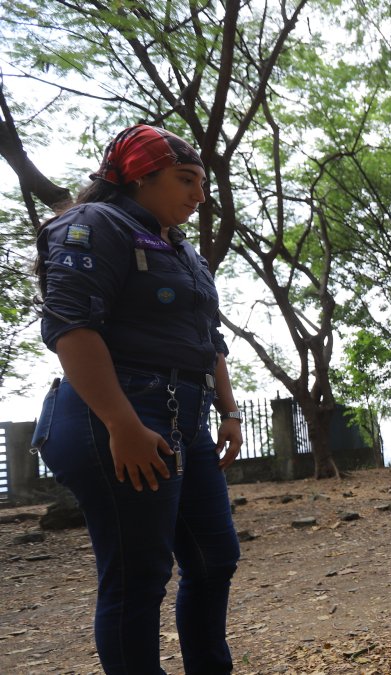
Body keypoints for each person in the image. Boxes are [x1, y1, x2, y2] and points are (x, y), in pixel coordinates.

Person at [30, 124, 243, 674]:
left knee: (214, 558)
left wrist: (228, 411)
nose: (199, 195)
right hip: (118, 413)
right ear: (140, 177)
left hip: (186, 414)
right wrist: (120, 424)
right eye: (186, 179)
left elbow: (209, 339)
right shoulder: (92, 224)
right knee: (138, 576)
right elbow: (71, 327)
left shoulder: (183, 249)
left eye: (202, 183)